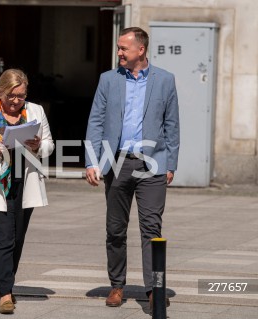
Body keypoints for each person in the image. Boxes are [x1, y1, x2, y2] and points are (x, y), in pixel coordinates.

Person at [85, 27, 179, 310]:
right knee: (115, 228)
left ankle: (154, 290)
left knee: (152, 227)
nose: (119, 53)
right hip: (117, 163)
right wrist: (92, 161)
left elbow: (172, 125)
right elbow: (96, 121)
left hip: (153, 164)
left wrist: (170, 163)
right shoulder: (108, 80)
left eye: (123, 48)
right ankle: (117, 285)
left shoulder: (165, 80)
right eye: (118, 48)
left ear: (141, 50)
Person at [0, 69, 54, 314]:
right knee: (2, 240)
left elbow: (49, 145)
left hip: (25, 181)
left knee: (16, 239)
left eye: (21, 96)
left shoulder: (35, 111)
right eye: (11, 96)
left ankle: (7, 283)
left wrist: (38, 145)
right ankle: (4, 293)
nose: (16, 101)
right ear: (0, 92)